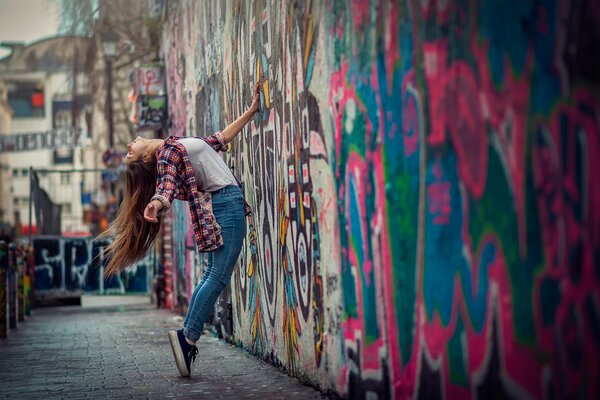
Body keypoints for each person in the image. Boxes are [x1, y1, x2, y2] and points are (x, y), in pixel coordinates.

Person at [99, 82, 261, 378]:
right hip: (228, 204)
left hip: (223, 204)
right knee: (217, 276)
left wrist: (251, 111)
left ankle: (186, 335)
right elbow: (167, 186)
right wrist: (158, 203)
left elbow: (220, 138)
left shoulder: (175, 148)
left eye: (127, 151)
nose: (128, 145)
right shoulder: (165, 155)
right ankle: (188, 338)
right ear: (147, 159)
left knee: (212, 274)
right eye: (131, 153)